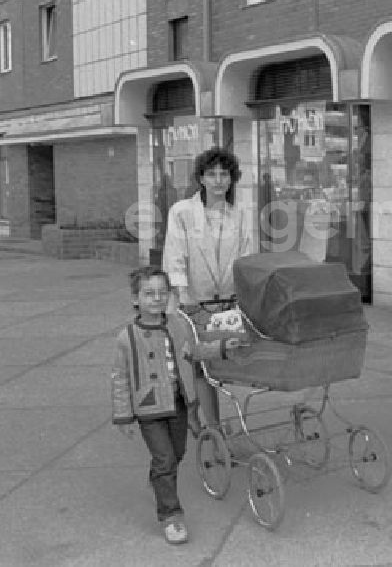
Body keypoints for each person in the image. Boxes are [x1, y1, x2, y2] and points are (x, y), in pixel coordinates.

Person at [111, 267, 246, 545]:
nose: (157, 299)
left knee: (177, 453)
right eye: (149, 294)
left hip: (179, 404)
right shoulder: (127, 337)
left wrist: (221, 347)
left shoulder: (178, 325)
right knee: (165, 459)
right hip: (149, 409)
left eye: (162, 293)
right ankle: (171, 516)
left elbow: (194, 352)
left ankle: (158, 479)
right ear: (135, 299)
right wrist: (123, 416)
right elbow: (120, 379)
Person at [162, 147, 254, 432]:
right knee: (200, 365)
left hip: (227, 302)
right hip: (193, 301)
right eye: (211, 174)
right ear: (201, 178)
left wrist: (246, 294)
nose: (218, 180)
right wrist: (181, 293)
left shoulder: (238, 215)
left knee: (216, 365)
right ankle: (210, 426)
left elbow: (246, 257)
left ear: (231, 178)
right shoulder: (182, 212)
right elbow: (175, 255)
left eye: (224, 174)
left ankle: (197, 413)